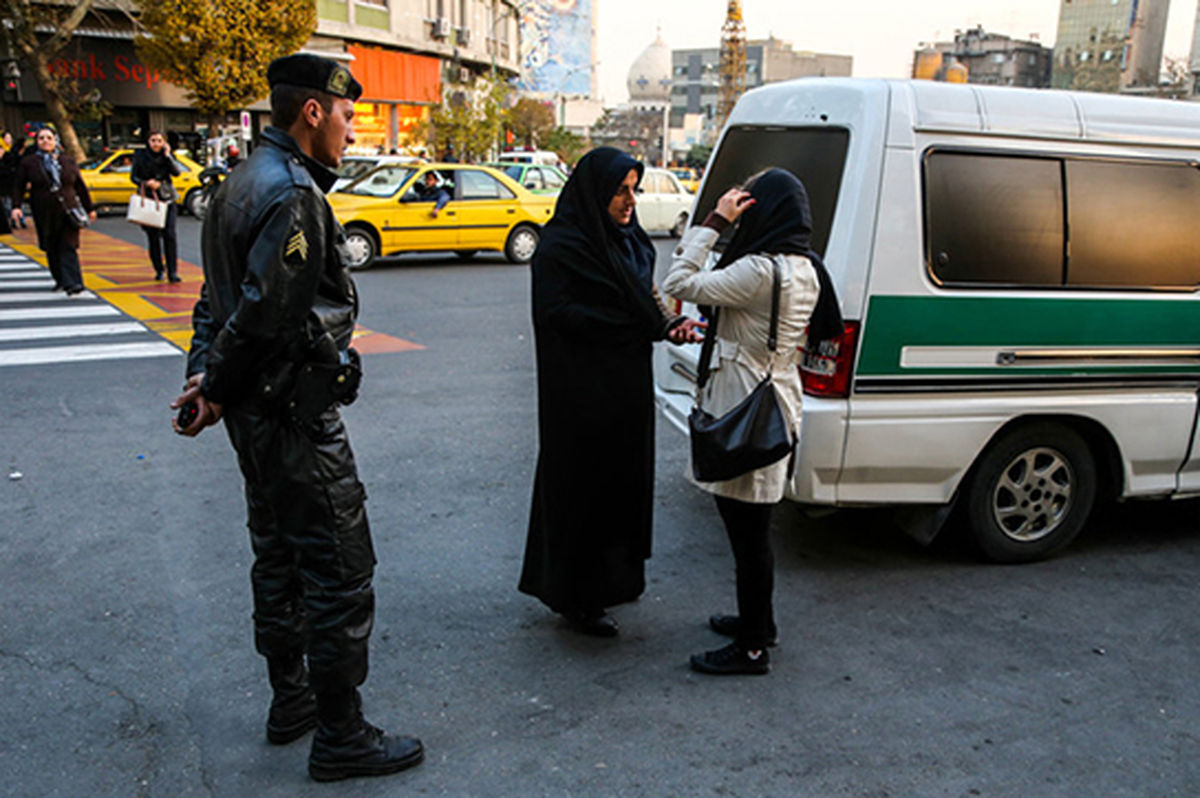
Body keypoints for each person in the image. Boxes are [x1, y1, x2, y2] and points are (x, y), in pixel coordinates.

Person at [169, 53, 423, 782]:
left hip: (253, 412)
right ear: (312, 112)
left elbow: (212, 300)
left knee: (277, 555)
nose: (350, 130)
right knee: (339, 568)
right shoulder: (292, 194)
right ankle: (341, 734)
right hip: (291, 415)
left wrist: (206, 379)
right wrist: (214, 378)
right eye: (345, 115)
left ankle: (293, 702)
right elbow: (259, 315)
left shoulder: (238, 182)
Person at [661, 168, 842, 675]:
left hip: (745, 405)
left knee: (748, 532)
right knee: (751, 526)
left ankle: (754, 645)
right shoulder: (807, 266)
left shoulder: (759, 271)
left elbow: (678, 281)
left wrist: (714, 221)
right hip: (776, 400)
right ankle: (756, 621)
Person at [519, 147, 704, 637]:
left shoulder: (628, 240)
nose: (629, 200)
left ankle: (617, 580)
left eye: (633, 189)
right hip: (580, 393)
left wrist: (669, 325)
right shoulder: (562, 246)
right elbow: (557, 313)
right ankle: (577, 597)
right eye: (620, 190)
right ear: (595, 191)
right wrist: (628, 325)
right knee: (585, 489)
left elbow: (648, 298)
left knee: (623, 484)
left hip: (625, 385)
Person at [11, 127, 96, 295]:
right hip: (44, 211)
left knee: (68, 245)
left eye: (49, 138)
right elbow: (18, 186)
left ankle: (73, 282)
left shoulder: (67, 161)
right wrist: (16, 206)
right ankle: (60, 278)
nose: (45, 141)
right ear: (36, 142)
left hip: (69, 210)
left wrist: (89, 208)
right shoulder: (29, 162)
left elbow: (79, 185)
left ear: (55, 140)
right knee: (51, 245)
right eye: (41, 138)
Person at [131, 130, 182, 282]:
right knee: (153, 237)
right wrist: (146, 183)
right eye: (153, 140)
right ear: (148, 141)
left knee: (170, 235)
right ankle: (159, 269)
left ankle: (172, 271)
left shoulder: (167, 157)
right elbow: (133, 177)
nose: (156, 144)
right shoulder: (140, 156)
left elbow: (176, 173)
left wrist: (168, 156)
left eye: (159, 141)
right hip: (149, 200)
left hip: (166, 198)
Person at [0, 132, 20, 233]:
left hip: (9, 184)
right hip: (4, 185)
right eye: (7, 138)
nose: (9, 140)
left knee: (8, 203)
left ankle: (13, 220)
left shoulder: (11, 152)